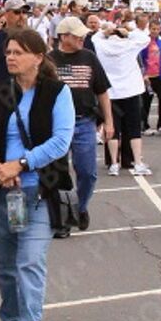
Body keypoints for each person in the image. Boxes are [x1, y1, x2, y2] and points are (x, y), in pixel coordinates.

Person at [0, 29, 74, 321]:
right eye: (8, 52)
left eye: (18, 52)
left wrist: (21, 164)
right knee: (5, 263)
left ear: (38, 57)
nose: (10, 57)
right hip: (3, 192)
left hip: (38, 191)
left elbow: (61, 141)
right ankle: (10, 318)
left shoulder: (57, 93)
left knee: (30, 262)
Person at [49, 16, 113, 232]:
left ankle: (81, 207)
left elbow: (102, 91)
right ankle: (64, 218)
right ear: (63, 37)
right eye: (77, 36)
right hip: (57, 126)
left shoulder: (89, 57)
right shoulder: (49, 60)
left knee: (87, 172)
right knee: (59, 174)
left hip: (85, 122)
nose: (82, 38)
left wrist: (109, 122)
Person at [92, 18, 151, 176]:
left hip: (111, 92)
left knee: (113, 128)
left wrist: (106, 30)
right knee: (134, 128)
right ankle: (137, 162)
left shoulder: (102, 46)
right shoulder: (129, 45)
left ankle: (114, 163)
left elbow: (94, 37)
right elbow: (145, 38)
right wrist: (129, 32)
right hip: (130, 90)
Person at [140, 18, 161, 136]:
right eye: (153, 29)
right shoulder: (145, 42)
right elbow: (141, 59)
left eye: (158, 29)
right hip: (149, 76)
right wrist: (144, 74)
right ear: (149, 29)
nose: (155, 31)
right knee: (146, 102)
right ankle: (144, 125)